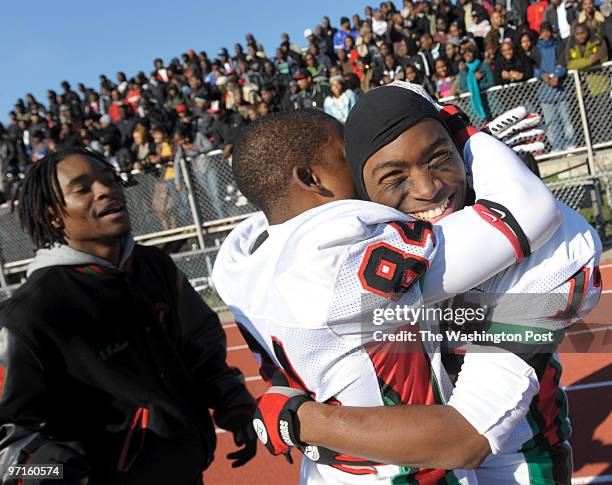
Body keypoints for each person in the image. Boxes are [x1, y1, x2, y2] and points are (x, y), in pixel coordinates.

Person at [243, 85, 600, 484]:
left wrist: (301, 421)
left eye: (441, 158)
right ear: (361, 191)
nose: (428, 189)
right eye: (393, 176)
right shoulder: (361, 254)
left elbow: (472, 433)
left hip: (512, 462)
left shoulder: (546, 258)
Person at [0, 147, 257, 484]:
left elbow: (201, 346)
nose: (106, 190)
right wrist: (47, 469)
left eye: (109, 180)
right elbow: (8, 453)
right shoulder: (30, 312)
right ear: (52, 215)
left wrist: (232, 401)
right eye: (83, 188)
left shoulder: (155, 267)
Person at [535, 21, 576, 151]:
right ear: (540, 33)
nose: (546, 34)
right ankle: (557, 147)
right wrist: (543, 76)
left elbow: (563, 62)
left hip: (560, 89)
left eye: (548, 31)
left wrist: (556, 75)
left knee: (566, 120)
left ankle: (570, 144)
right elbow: (533, 67)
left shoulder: (558, 45)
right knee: (551, 123)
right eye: (543, 31)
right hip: (545, 93)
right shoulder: (536, 49)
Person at [458, 45, 494, 119]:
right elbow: (464, 88)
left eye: (469, 52)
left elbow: (492, 82)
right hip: (473, 109)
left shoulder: (484, 65)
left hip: (491, 103)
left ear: (474, 53)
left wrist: (477, 85)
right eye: (465, 53)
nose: (467, 55)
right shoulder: (463, 70)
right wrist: (475, 80)